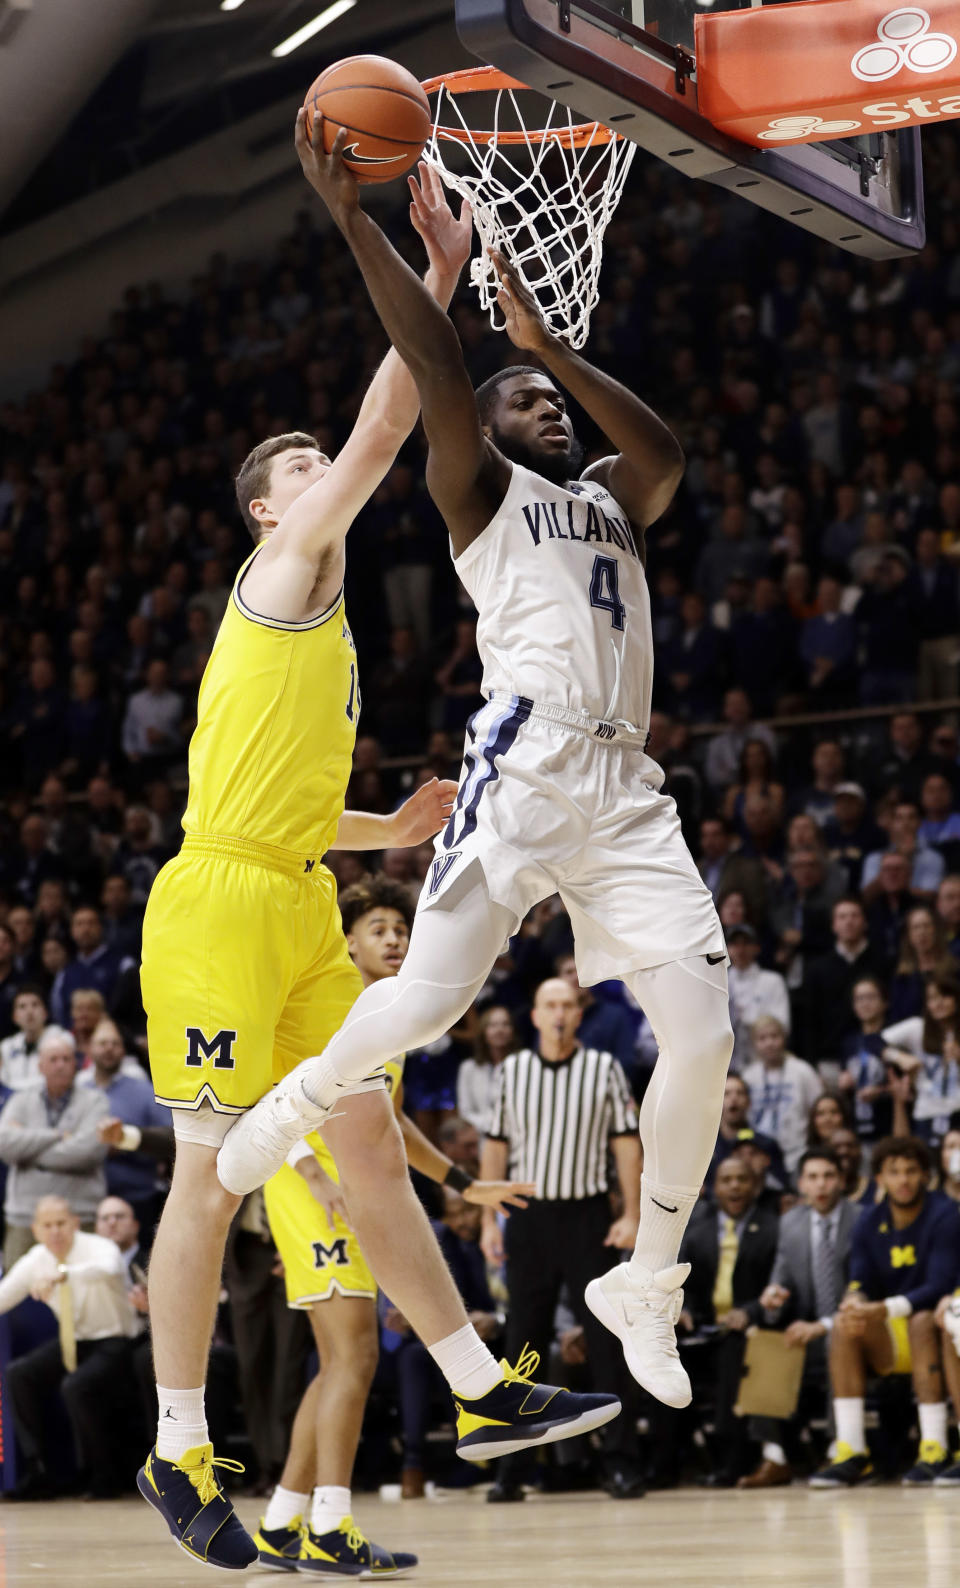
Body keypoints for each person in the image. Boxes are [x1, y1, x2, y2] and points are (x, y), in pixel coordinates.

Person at [219, 117, 734, 1418]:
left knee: (705, 1034)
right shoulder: (481, 492)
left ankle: (648, 1281)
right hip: (525, 767)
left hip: (624, 795)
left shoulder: (613, 494)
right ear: (490, 431)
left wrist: (555, 346)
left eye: (550, 397)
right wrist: (364, 227)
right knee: (430, 1006)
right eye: (524, 398)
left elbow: (666, 457)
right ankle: (302, 1097)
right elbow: (438, 369)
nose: (540, 403)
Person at [134, 166, 608, 1573]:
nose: (319, 480)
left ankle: (476, 1386)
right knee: (208, 1176)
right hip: (219, 905)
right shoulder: (283, 576)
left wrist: (379, 836)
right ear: (269, 516)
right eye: (298, 476)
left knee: (362, 1152)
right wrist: (434, 271)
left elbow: (275, 806)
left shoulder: (321, 619)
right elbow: (386, 420)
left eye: (311, 470)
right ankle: (176, 1443)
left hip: (289, 888)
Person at [256, 876, 533, 1573]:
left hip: (353, 1190)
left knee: (343, 1360)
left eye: (400, 930)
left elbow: (394, 1125)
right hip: (308, 1186)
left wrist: (469, 1184)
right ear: (345, 940)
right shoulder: (318, 998)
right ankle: (331, 1525)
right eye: (378, 928)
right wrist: (312, 1175)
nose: (394, 939)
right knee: (355, 1355)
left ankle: (285, 1521)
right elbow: (262, 1084)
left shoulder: (391, 1016)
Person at [479, 977, 644, 1501]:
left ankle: (617, 1460)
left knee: (603, 1339)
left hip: (587, 1215)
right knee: (521, 1341)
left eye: (568, 1005)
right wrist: (488, 1220)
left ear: (579, 1014)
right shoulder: (512, 1071)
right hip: (528, 1216)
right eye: (549, 1004)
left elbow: (626, 1146)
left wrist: (633, 1213)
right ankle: (511, 1467)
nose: (558, 1013)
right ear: (534, 1015)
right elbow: (496, 1147)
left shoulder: (604, 1068)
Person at [811, 1136, 960, 1487]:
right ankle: (852, 1451)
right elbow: (860, 1279)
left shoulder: (945, 1214)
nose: (904, 1180)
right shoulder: (869, 1221)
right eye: (894, 1172)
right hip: (891, 1333)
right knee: (846, 1324)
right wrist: (855, 1300)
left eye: (911, 1171)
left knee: (923, 1320)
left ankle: (934, 1446)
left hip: (937, 1330)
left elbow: (939, 1285)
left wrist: (885, 1308)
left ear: (926, 1175)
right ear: (879, 1179)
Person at [652, 1155, 779, 1487]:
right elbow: (682, 1283)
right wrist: (686, 1309)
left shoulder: (772, 1228)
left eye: (742, 1179)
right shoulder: (697, 1231)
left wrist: (750, 1310)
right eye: (726, 1180)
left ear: (756, 1186)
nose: (734, 1186)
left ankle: (730, 1462)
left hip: (748, 1330)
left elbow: (779, 1285)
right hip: (704, 1329)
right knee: (664, 1355)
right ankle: (664, 1462)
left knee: (732, 1355)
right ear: (714, 1189)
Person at [0, 1195, 139, 1498]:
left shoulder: (99, 1247)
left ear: (75, 1223)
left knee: (75, 1386)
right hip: (73, 1343)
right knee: (19, 1374)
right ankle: (39, 1472)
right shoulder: (36, 1258)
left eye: (61, 1223)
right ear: (35, 1230)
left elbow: (109, 1268)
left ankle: (104, 1476)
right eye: (47, 1225)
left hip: (116, 1341)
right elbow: (3, 1296)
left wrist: (64, 1275)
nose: (55, 1231)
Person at [742, 1148, 859, 1487]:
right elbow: (780, 1282)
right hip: (809, 1328)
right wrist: (773, 1298)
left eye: (828, 1176)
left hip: (855, 1327)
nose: (821, 1184)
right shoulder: (791, 1222)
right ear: (800, 1184)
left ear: (841, 1180)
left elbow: (869, 1287)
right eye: (812, 1177)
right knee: (765, 1343)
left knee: (840, 1342)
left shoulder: (862, 1218)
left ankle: (843, 1447)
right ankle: (775, 1456)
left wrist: (823, 1326)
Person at [0, 1029, 109, 1267]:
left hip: (80, 1215)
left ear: (76, 1064)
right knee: (18, 1298)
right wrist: (57, 1136)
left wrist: (30, 1154)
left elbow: (89, 1151)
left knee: (82, 1295)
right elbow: (5, 1144)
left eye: (66, 1059)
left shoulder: (96, 1102)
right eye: (53, 1059)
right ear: (40, 1066)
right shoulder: (20, 1100)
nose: (60, 1065)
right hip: (25, 1217)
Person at [742, 1016, 823, 1175]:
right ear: (754, 1043)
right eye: (762, 1038)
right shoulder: (748, 1076)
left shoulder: (803, 1071)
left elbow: (819, 1109)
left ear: (784, 1038)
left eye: (774, 1036)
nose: (769, 1043)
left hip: (797, 1153)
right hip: (759, 1156)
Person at [725, 924, 790, 1068]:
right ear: (727, 949)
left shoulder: (772, 981)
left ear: (756, 948)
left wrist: (746, 1018)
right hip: (728, 1064)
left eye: (746, 943)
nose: (740, 949)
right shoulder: (720, 982)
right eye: (735, 944)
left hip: (763, 1061)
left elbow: (782, 1024)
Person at [456, 1004, 516, 1135]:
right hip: (482, 1136)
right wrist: (490, 1126)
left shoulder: (522, 1065)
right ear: (483, 1032)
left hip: (516, 1133)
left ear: (512, 1032)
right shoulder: (469, 1068)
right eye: (493, 1025)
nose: (500, 1030)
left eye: (505, 1024)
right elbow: (465, 1111)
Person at [0, 984, 58, 1091]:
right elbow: (3, 1083)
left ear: (45, 1013)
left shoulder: (60, 1040)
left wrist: (15, 1088)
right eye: (22, 1007)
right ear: (15, 1017)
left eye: (35, 1005)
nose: (29, 1012)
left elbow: (55, 1080)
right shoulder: (6, 1046)